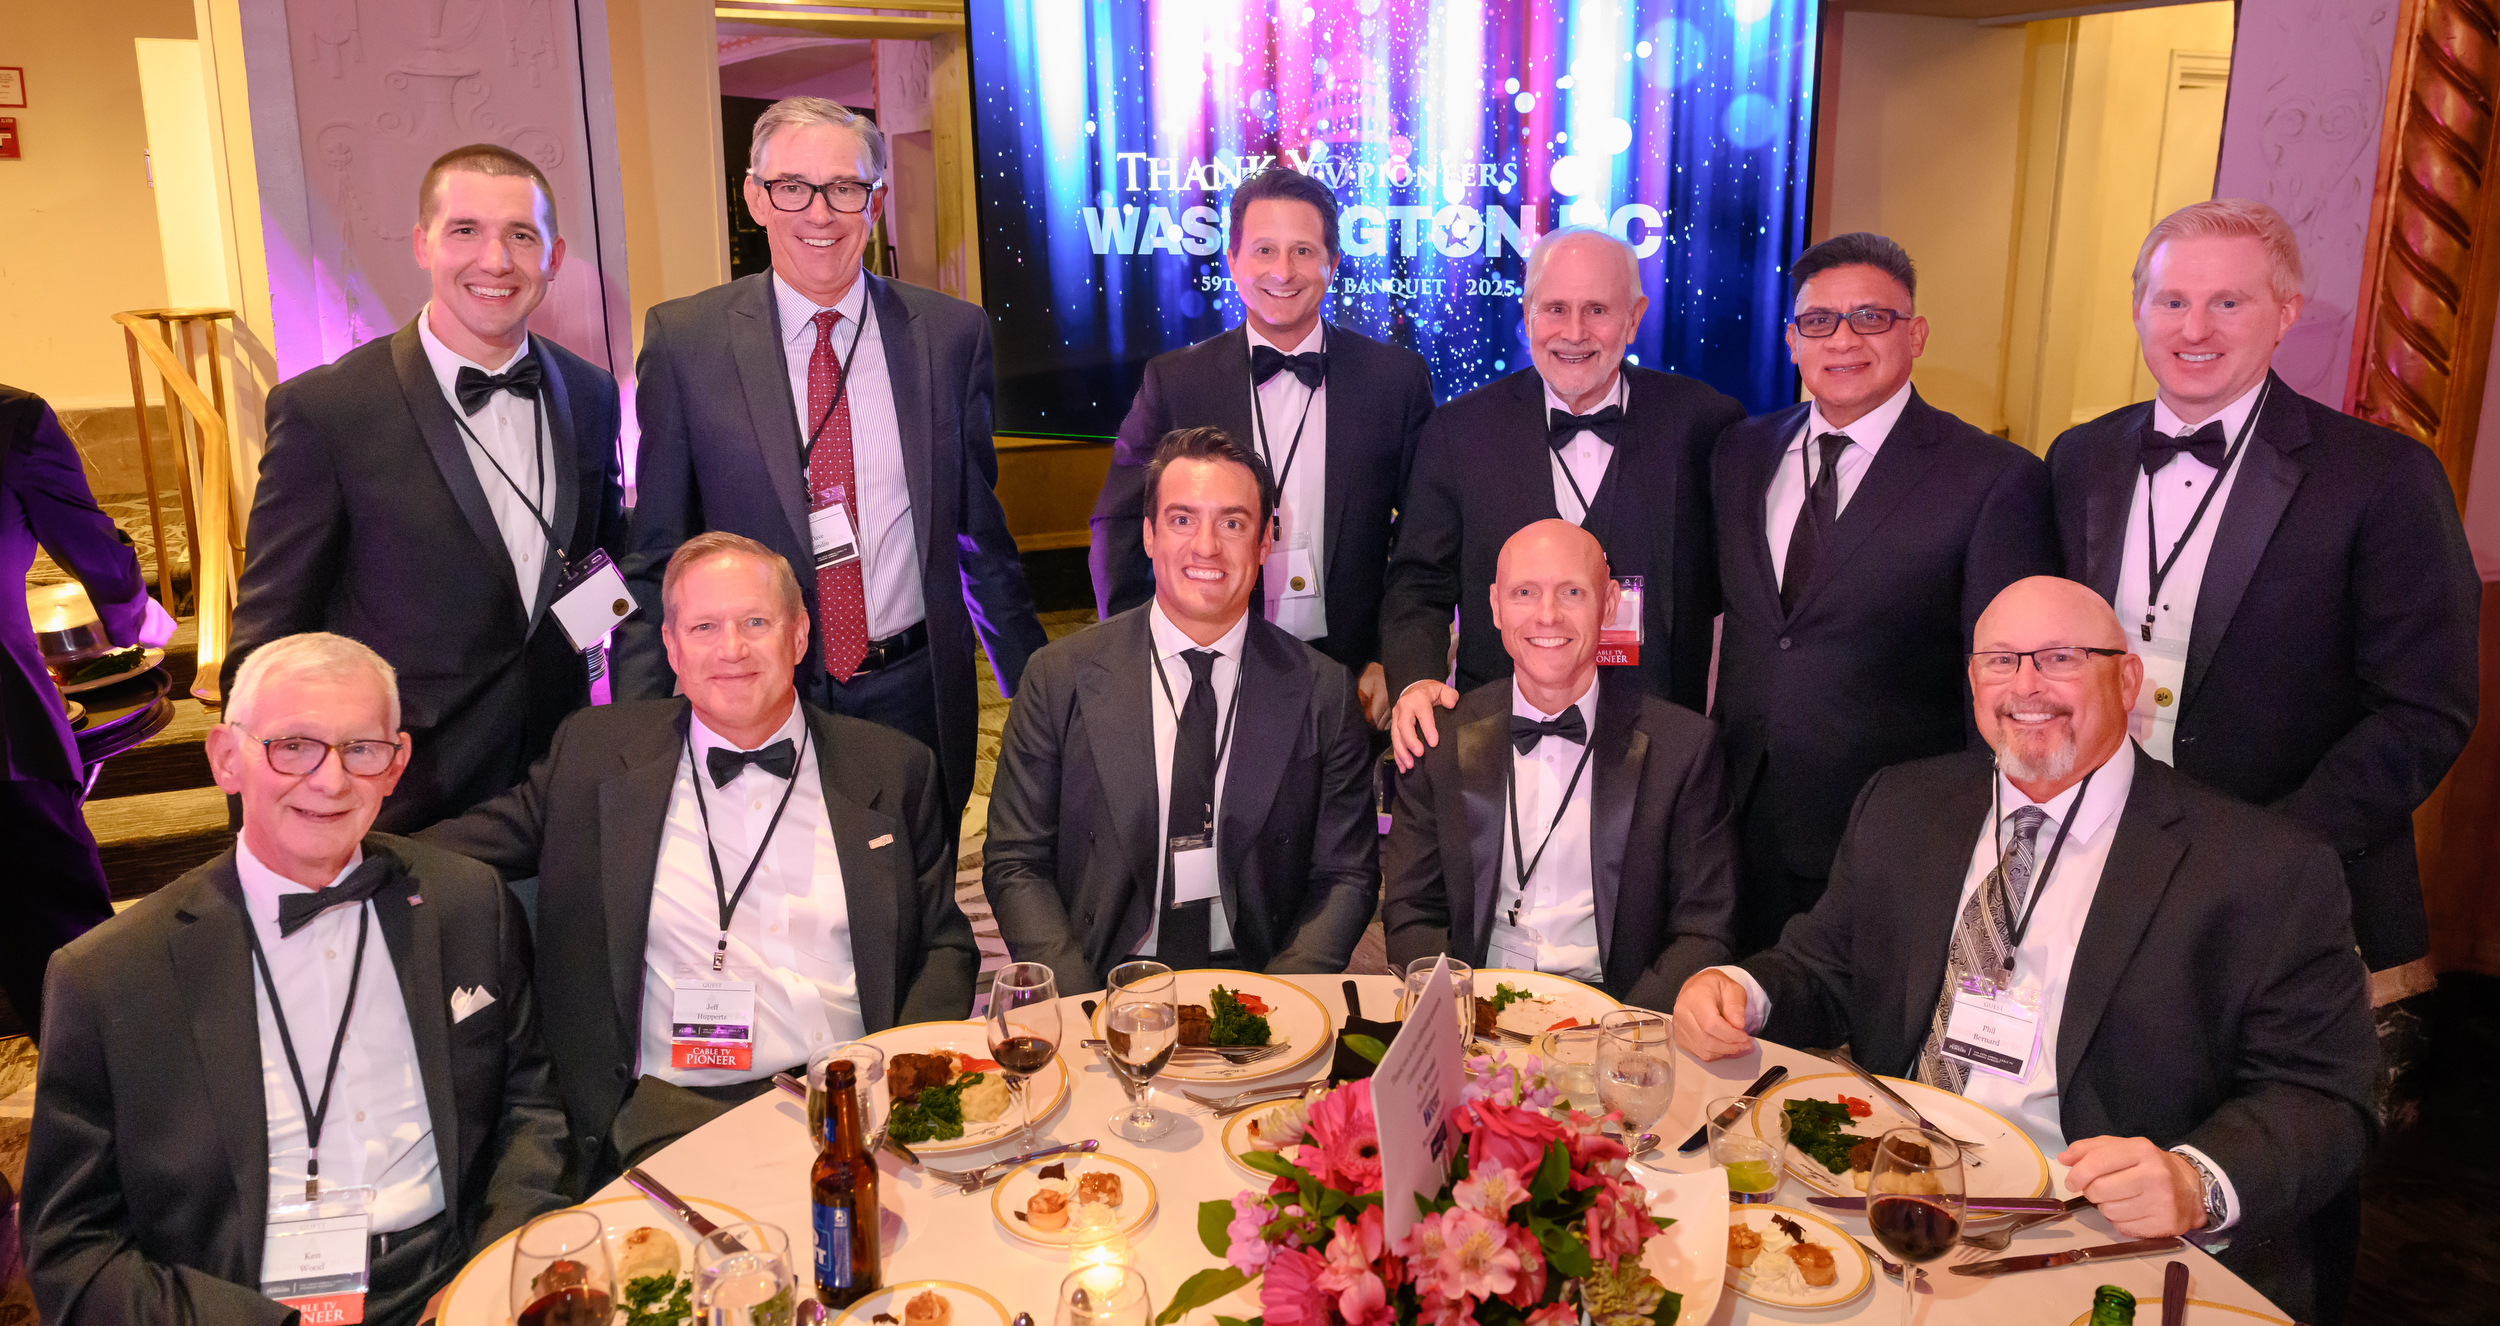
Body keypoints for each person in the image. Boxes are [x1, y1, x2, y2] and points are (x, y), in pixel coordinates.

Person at [1674, 577, 2375, 1323]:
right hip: (1887, 1194)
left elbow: (2326, 1097)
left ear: (2128, 677)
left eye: (2060, 658)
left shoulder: (2263, 868)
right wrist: (1737, 989)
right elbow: (1825, 965)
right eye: (2000, 661)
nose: (2026, 686)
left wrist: (2191, 1180)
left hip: (2096, 1235)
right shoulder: (1902, 805)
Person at [23, 633, 571, 1326]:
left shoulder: (466, 901)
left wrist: (496, 1272)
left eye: (360, 749)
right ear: (227, 759)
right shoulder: (110, 974)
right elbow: (72, 1248)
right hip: (241, 1303)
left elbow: (533, 1110)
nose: (331, 780)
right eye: (294, 746)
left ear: (396, 764)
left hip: (456, 1273)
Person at [2044, 199, 2479, 1047]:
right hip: (2096, 856)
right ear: (2139, 311)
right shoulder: (2078, 458)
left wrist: (2271, 846)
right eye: (2172, 301)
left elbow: (2427, 709)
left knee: (2274, 1156)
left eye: (2228, 303)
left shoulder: (2383, 477)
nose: (2194, 327)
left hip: (2295, 878)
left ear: (2283, 315)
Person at [419, 533, 974, 1181]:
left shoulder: (891, 767)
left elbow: (946, 944)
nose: (732, 649)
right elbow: (462, 851)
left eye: (756, 623)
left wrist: (897, 1077)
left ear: (798, 637)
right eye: (705, 626)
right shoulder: (593, 758)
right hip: (669, 1116)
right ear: (673, 649)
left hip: (849, 1102)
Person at [619, 95, 1048, 821]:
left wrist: (1041, 693)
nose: (820, 214)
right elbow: (658, 552)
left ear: (875, 201)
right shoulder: (686, 344)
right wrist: (632, 732)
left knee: (914, 906)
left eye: (846, 188)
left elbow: (979, 533)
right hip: (753, 692)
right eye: (793, 187)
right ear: (756, 197)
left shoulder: (950, 336)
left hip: (911, 690)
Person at [222, 144, 626, 832]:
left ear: (553, 259)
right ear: (422, 245)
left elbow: (601, 569)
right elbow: (268, 642)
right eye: (465, 231)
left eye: (521, 236)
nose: (495, 261)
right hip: (402, 799)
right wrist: (268, 829)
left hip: (560, 785)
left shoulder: (590, 393)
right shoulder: (329, 411)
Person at [1711, 232, 2056, 953]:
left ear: (1916, 334)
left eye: (1871, 318)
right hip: (1735, 818)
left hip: (1892, 831)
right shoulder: (1741, 453)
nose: (1843, 339)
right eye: (1819, 321)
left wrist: (1989, 841)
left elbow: (2002, 677)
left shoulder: (1994, 478)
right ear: (1792, 340)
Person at [985, 427, 1376, 993]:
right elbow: (1015, 861)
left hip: (1262, 983)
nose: (1207, 547)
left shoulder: (1322, 691)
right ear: (1148, 535)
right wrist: (1081, 1003)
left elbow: (1347, 876)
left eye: (1233, 523)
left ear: (1266, 541)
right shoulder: (1058, 677)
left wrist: (1281, 1000)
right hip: (1101, 983)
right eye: (1182, 519)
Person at [1384, 226, 1743, 769]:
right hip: (1496, 737)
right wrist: (1417, 679)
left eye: (1597, 309)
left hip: (1661, 747)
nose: (1574, 333)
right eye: (1554, 309)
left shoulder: (1705, 423)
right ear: (1527, 312)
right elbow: (1418, 582)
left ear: (1634, 317)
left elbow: (1740, 591)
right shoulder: (1457, 431)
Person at [1088, 168, 1437, 725]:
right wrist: (1146, 655)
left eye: (1303, 250)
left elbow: (1425, 539)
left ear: (1334, 262)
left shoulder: (1395, 380)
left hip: (1353, 677)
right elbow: (1121, 527)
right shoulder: (1176, 382)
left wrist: (1394, 658)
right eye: (1264, 250)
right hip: (1206, 664)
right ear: (1232, 262)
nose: (1282, 271)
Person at [1381, 519, 1736, 1008]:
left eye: (1572, 592)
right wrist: (1459, 1014)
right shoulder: (1440, 736)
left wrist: (1625, 1035)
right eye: (1524, 592)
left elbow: (1704, 930)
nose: (1547, 616)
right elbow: (1410, 912)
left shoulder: (1684, 748)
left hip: (1620, 1018)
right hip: (1472, 1009)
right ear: (1495, 606)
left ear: (1609, 604)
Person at [1, 384, 178, 1036]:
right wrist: (133, 613)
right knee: (74, 972)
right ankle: (118, 1125)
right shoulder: (13, 421)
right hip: (6, 746)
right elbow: (94, 548)